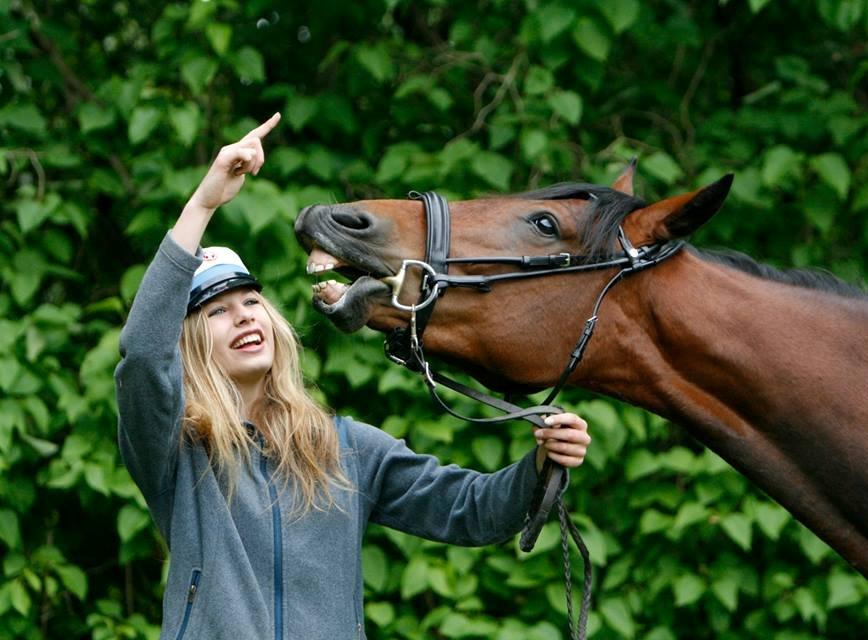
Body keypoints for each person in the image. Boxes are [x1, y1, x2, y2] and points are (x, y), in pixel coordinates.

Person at [114, 113, 592, 639]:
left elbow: (471, 510)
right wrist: (203, 203)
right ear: (191, 343)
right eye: (217, 312)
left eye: (251, 301)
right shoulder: (175, 453)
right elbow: (142, 354)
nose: (245, 315)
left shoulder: (345, 449)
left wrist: (541, 461)